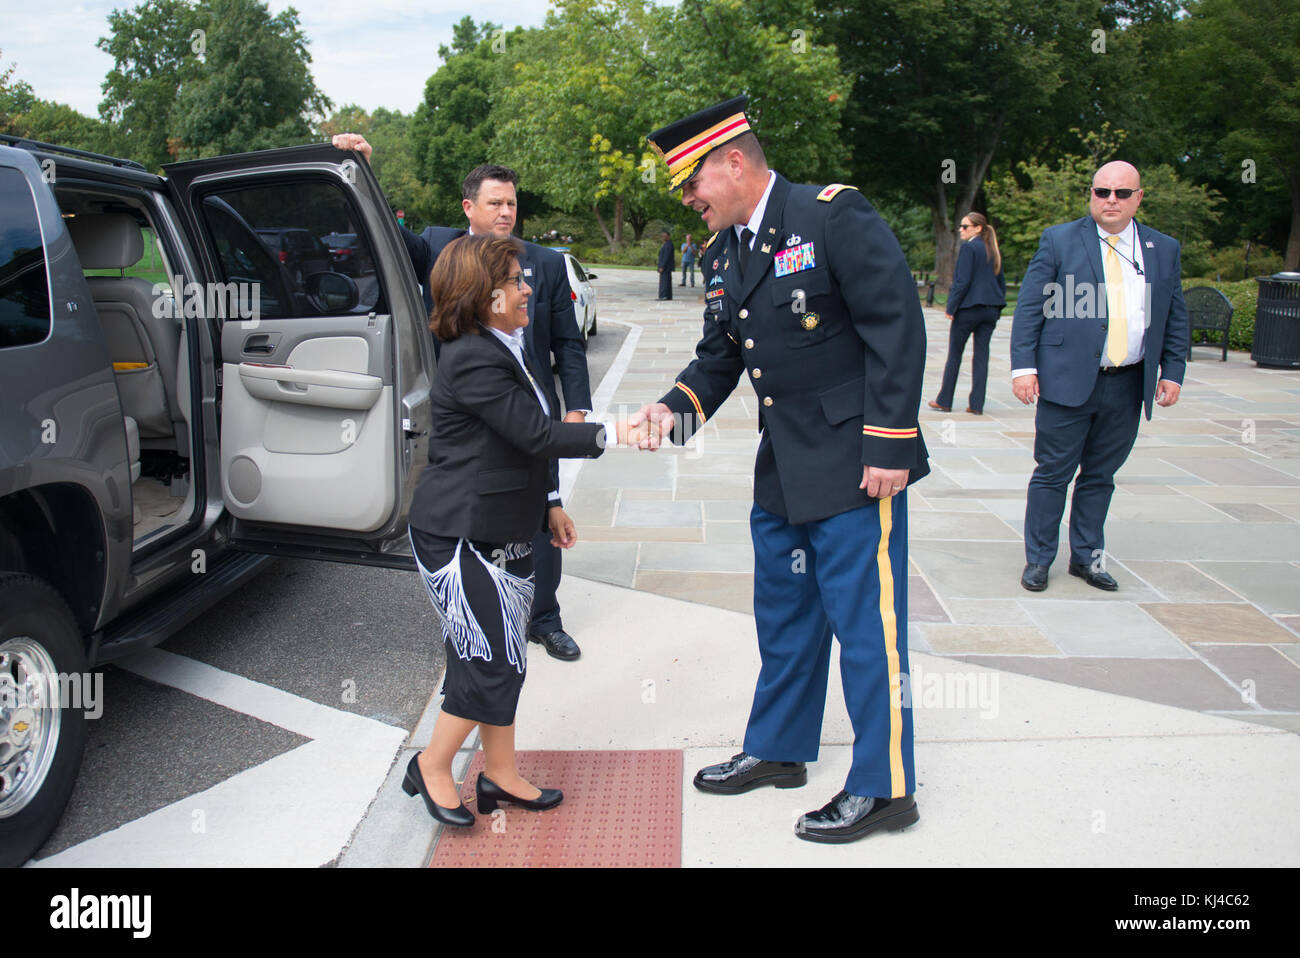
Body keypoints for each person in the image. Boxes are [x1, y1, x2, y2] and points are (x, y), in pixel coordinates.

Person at [632, 96, 929, 844]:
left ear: (734, 162)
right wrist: (673, 410)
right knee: (786, 617)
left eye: (692, 183)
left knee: (869, 628)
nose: (689, 199)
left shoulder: (832, 217)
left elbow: (897, 324)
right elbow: (723, 356)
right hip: (784, 465)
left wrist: (890, 443)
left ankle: (884, 786)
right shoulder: (725, 251)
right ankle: (779, 749)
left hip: (858, 466)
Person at [331, 134, 593, 664]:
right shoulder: (438, 247)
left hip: (528, 408)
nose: (506, 212)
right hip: (465, 410)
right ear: (469, 207)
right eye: (494, 202)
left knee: (543, 504)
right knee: (477, 506)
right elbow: (383, 235)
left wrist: (577, 409)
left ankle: (544, 617)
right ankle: (480, 611)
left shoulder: (544, 261)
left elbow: (567, 343)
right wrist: (356, 168)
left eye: (512, 203)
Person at [401, 233, 608, 827]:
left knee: (499, 659)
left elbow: (523, 442)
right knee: (492, 662)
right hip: (458, 535)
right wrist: (611, 432)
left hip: (506, 527)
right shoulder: (470, 356)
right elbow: (539, 435)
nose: (527, 289)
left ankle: (499, 774)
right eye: (517, 281)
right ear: (484, 294)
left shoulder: (506, 344)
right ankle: (432, 766)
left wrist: (550, 503)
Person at [1011, 161, 1188, 593]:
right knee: (1053, 473)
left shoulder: (1162, 248)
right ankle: (1039, 560)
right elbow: (1031, 307)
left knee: (1100, 476)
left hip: (1127, 383)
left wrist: (1174, 371)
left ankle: (1087, 558)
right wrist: (1024, 368)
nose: (1111, 200)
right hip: (1066, 380)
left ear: (1138, 198)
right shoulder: (1059, 240)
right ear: (1091, 194)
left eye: (1122, 193)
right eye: (1102, 191)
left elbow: (1174, 313)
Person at [928, 211, 1005, 414]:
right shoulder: (992, 249)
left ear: (978, 228)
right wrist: (998, 307)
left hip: (969, 309)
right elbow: (1000, 282)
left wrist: (951, 307)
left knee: (955, 354)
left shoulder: (969, 248)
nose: (961, 230)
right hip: (989, 309)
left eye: (965, 226)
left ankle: (945, 400)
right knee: (981, 356)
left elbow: (962, 281)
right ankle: (977, 405)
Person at [657, 230, 674, 299]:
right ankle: (667, 295)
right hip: (666, 266)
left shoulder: (668, 245)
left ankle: (664, 295)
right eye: (662, 236)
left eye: (665, 236)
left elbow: (666, 257)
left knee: (664, 281)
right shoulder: (666, 244)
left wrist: (662, 266)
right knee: (666, 281)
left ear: (668, 236)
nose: (663, 237)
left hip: (666, 267)